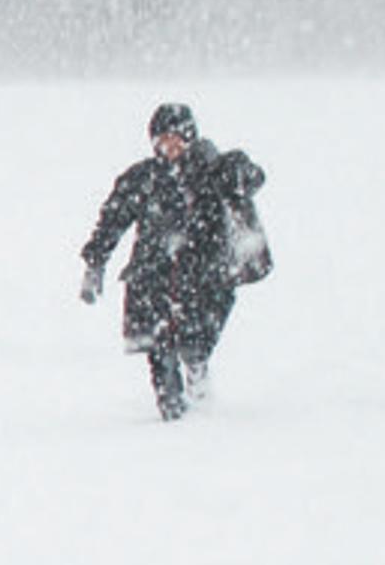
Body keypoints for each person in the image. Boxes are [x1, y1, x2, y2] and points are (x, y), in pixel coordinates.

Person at [79, 101, 273, 420]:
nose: (170, 146)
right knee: (158, 347)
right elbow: (112, 220)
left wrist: (239, 171)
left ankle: (198, 379)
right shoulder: (142, 178)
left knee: (196, 339)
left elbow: (252, 180)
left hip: (202, 274)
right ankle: (171, 410)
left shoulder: (211, 171)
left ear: (190, 137)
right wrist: (94, 262)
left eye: (177, 138)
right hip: (151, 275)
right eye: (163, 139)